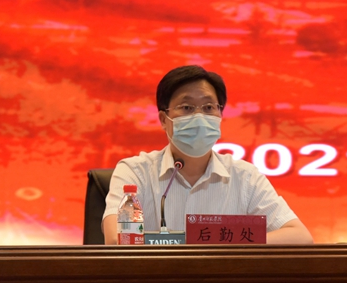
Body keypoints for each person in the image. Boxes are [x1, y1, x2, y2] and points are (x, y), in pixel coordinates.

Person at [102, 65, 313, 245]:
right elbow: (115, 239)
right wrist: (189, 244)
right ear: (164, 119)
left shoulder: (244, 176)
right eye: (187, 107)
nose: (199, 116)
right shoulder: (135, 172)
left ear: (220, 115)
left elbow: (299, 236)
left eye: (209, 107)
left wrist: (223, 242)